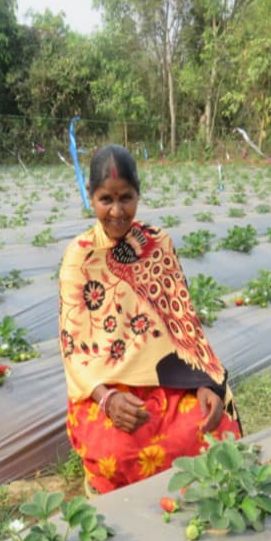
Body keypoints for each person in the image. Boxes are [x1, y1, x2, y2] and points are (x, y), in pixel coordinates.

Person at [59, 144, 242, 494]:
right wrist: (106, 398)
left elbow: (183, 321)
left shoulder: (158, 244)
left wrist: (205, 382)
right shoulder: (79, 257)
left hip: (168, 378)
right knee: (119, 449)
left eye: (126, 198)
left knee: (208, 428)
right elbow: (72, 347)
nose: (116, 211)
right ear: (90, 197)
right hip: (105, 385)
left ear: (138, 193)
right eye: (105, 200)